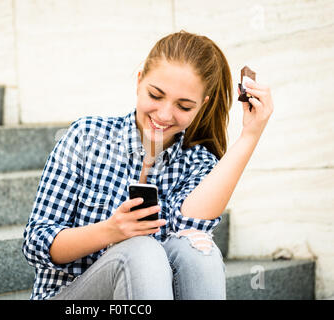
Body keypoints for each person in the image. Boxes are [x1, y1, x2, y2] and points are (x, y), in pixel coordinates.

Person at [22, 30, 274, 300]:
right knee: (142, 250)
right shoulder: (86, 137)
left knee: (200, 251)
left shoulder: (197, 162)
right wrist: (110, 231)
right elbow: (36, 242)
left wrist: (250, 135)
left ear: (202, 105)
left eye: (184, 106)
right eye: (155, 95)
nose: (164, 114)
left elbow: (192, 229)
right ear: (140, 81)